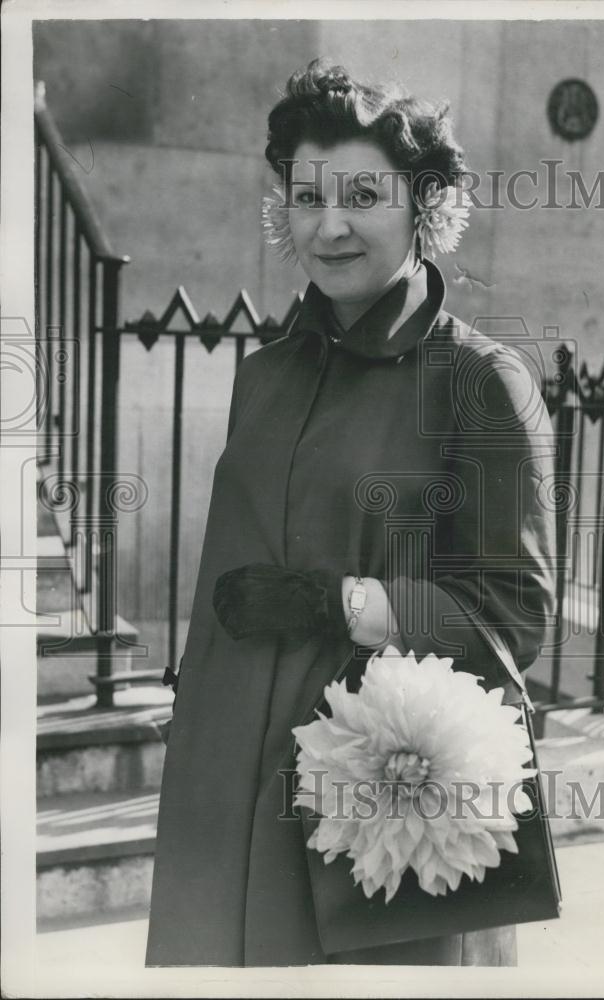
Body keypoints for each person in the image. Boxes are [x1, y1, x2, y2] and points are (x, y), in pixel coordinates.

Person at [145, 58, 557, 968]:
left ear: (426, 207)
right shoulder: (266, 374)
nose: (329, 226)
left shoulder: (480, 382)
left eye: (364, 195)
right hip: (227, 793)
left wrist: (342, 605)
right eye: (306, 197)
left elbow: (514, 616)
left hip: (379, 810)